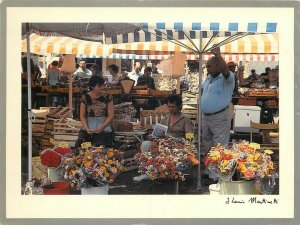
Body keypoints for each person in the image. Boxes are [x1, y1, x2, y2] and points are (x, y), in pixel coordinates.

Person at [133, 94, 193, 181]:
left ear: (179, 106)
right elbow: (159, 131)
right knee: (145, 144)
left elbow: (190, 137)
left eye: (173, 107)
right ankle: (147, 172)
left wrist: (178, 139)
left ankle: (165, 173)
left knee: (170, 150)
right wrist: (153, 136)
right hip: (162, 142)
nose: (171, 109)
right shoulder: (165, 118)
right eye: (169, 107)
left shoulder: (185, 119)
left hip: (177, 145)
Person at [201, 46, 235, 158]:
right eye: (206, 67)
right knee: (207, 143)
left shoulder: (227, 78)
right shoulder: (208, 78)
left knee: (219, 145)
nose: (207, 69)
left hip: (220, 117)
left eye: (209, 66)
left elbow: (225, 70)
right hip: (206, 117)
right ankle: (209, 171)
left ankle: (217, 174)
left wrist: (218, 55)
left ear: (218, 65)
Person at [75, 76, 114, 149]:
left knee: (99, 146)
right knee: (80, 145)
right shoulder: (85, 98)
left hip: (104, 127)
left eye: (103, 85)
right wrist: (86, 128)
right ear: (93, 86)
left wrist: (102, 126)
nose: (102, 87)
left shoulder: (108, 97)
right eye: (99, 85)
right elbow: (82, 115)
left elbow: (111, 115)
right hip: (89, 127)